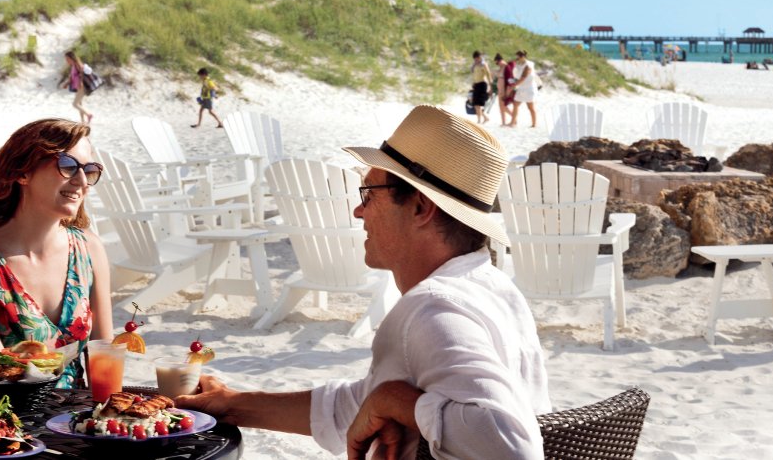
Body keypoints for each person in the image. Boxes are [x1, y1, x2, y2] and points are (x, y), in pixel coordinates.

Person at [173, 105, 551, 459]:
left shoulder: (433, 308)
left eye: (370, 192)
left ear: (421, 207)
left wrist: (398, 401)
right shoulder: (491, 287)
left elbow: (514, 448)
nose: (359, 210)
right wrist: (232, 403)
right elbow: (359, 404)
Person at [0, 118, 113, 388]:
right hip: (9, 419)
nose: (82, 181)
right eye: (68, 166)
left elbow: (104, 363)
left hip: (77, 423)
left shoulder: (89, 248)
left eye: (89, 170)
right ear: (22, 173)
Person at [57, 51, 93, 125]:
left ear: (71, 58)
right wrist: (66, 84)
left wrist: (80, 83)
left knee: (75, 104)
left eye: (67, 59)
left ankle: (89, 115)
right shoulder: (73, 66)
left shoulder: (77, 64)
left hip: (81, 87)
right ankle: (83, 121)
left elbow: (81, 73)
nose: (66, 60)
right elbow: (72, 77)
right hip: (78, 87)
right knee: (79, 103)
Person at [511, 50, 538, 128]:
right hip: (522, 88)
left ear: (522, 56)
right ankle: (513, 122)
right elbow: (517, 75)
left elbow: (523, 77)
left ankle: (534, 124)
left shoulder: (528, 65)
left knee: (530, 107)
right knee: (515, 104)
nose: (517, 59)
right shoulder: (520, 64)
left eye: (518, 57)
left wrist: (514, 86)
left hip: (529, 88)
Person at [468, 50, 491, 125]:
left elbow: (488, 74)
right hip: (476, 84)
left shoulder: (483, 64)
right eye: (475, 58)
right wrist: (473, 83)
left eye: (477, 58)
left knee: (478, 104)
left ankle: (479, 120)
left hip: (482, 84)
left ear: (480, 57)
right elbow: (473, 73)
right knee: (475, 103)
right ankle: (484, 118)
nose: (476, 59)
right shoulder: (474, 65)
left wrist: (490, 85)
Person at [492, 53, 510, 126]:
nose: (497, 64)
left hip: (503, 89)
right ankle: (503, 122)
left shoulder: (506, 66)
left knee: (504, 106)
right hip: (500, 89)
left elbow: (508, 79)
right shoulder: (502, 67)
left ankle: (513, 118)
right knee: (501, 106)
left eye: (497, 62)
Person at [501, 53, 518, 126]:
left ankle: (514, 120)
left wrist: (506, 93)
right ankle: (514, 120)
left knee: (506, 106)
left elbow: (509, 83)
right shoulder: (513, 70)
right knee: (514, 106)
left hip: (511, 90)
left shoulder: (508, 70)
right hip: (514, 89)